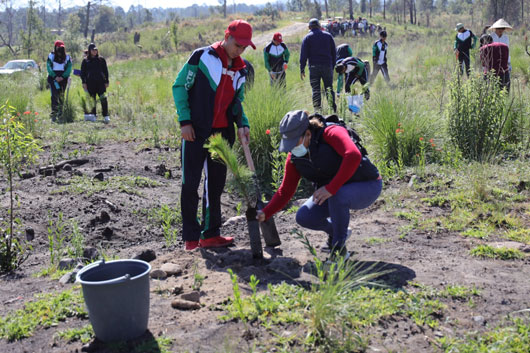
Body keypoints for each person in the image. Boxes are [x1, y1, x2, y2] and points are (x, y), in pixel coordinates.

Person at [172, 19, 254, 250]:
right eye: (238, 45)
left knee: (215, 184)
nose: (241, 50)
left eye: (245, 47)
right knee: (190, 183)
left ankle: (210, 234)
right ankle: (190, 237)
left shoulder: (241, 68)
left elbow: (237, 101)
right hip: (195, 132)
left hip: (222, 134)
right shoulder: (201, 58)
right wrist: (185, 121)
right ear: (227, 37)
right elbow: (179, 87)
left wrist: (242, 124)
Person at [257, 110, 382, 255]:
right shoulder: (294, 158)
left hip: (367, 185)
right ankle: (338, 233)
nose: (291, 148)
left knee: (338, 194)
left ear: (308, 134)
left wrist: (331, 188)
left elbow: (353, 155)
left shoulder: (331, 132)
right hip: (336, 192)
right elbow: (286, 190)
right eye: (288, 143)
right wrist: (265, 213)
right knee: (305, 217)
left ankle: (338, 250)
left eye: (294, 142)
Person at [300, 18, 337, 112]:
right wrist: (332, 66)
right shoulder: (328, 36)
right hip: (327, 66)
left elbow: (303, 55)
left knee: (316, 90)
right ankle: (332, 110)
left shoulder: (307, 38)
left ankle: (317, 111)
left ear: (309, 27)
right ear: (320, 26)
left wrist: (302, 69)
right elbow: (334, 53)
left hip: (313, 67)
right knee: (329, 88)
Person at [81, 43, 110, 123]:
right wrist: (84, 82)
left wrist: (107, 81)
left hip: (100, 82)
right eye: (93, 50)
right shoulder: (85, 61)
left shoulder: (101, 60)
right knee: (92, 100)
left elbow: (105, 71)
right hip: (90, 83)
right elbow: (82, 73)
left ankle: (106, 115)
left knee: (103, 98)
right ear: (90, 51)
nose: (95, 51)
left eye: (96, 50)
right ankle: (93, 115)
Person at [46, 40, 72, 122]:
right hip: (54, 78)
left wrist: (63, 77)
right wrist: (55, 76)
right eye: (58, 47)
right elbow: (48, 67)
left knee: (61, 95)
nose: (59, 49)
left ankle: (61, 113)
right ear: (55, 47)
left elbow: (69, 68)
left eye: (61, 47)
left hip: (63, 78)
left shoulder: (67, 57)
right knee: (54, 95)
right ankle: (54, 113)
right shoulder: (51, 56)